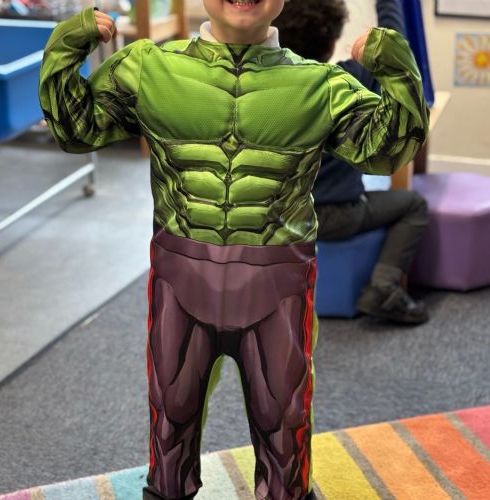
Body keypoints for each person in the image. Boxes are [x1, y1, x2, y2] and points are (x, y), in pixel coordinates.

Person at [39, 1, 429, 498]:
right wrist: (65, 47)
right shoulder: (147, 69)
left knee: (284, 433)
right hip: (181, 284)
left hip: (278, 290)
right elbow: (75, 129)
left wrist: (395, 64)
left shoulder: (320, 86)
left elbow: (388, 150)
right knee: (170, 430)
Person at [275, 0, 430, 325]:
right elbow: (395, 54)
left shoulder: (260, 88)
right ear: (332, 40)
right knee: (413, 204)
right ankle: (384, 287)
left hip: (279, 218)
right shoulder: (345, 81)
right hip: (336, 216)